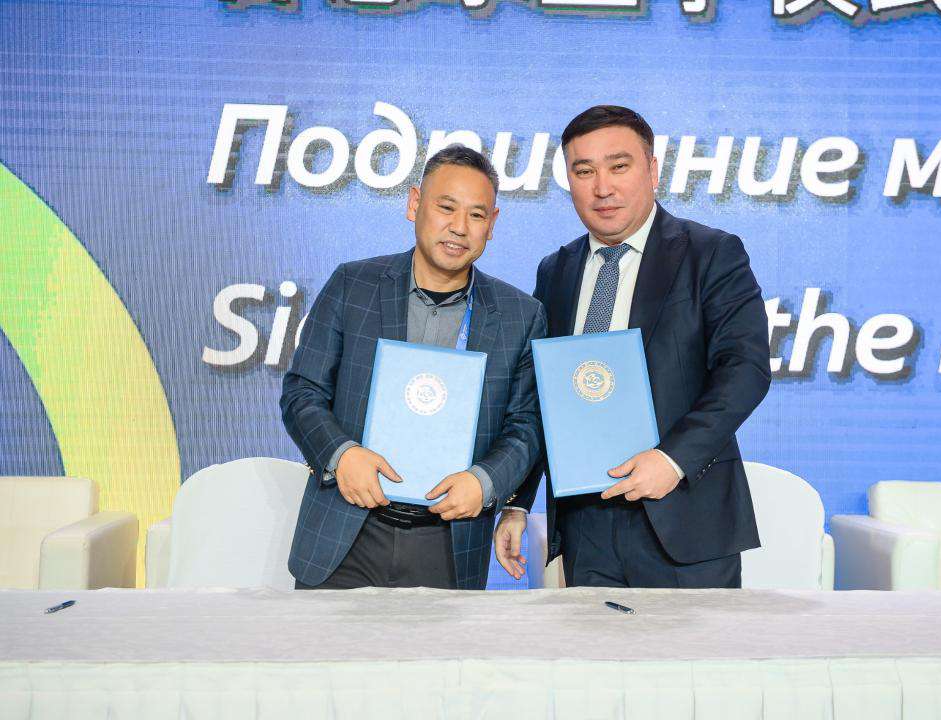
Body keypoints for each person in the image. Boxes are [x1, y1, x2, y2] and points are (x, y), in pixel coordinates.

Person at [495, 106, 770, 588]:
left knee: (690, 645)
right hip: (586, 524)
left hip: (684, 517)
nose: (602, 187)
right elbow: (544, 394)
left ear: (652, 170)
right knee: (593, 642)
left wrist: (672, 460)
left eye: (619, 166)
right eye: (584, 171)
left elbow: (745, 369)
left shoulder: (711, 253)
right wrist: (518, 501)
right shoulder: (555, 271)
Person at [282, 145, 546, 590]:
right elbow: (301, 393)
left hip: (447, 541)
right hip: (347, 530)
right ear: (414, 203)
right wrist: (341, 455)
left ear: (492, 224)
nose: (459, 227)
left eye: (476, 215)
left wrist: (485, 482)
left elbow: (527, 426)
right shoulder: (353, 285)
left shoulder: (520, 315)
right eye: (446, 207)